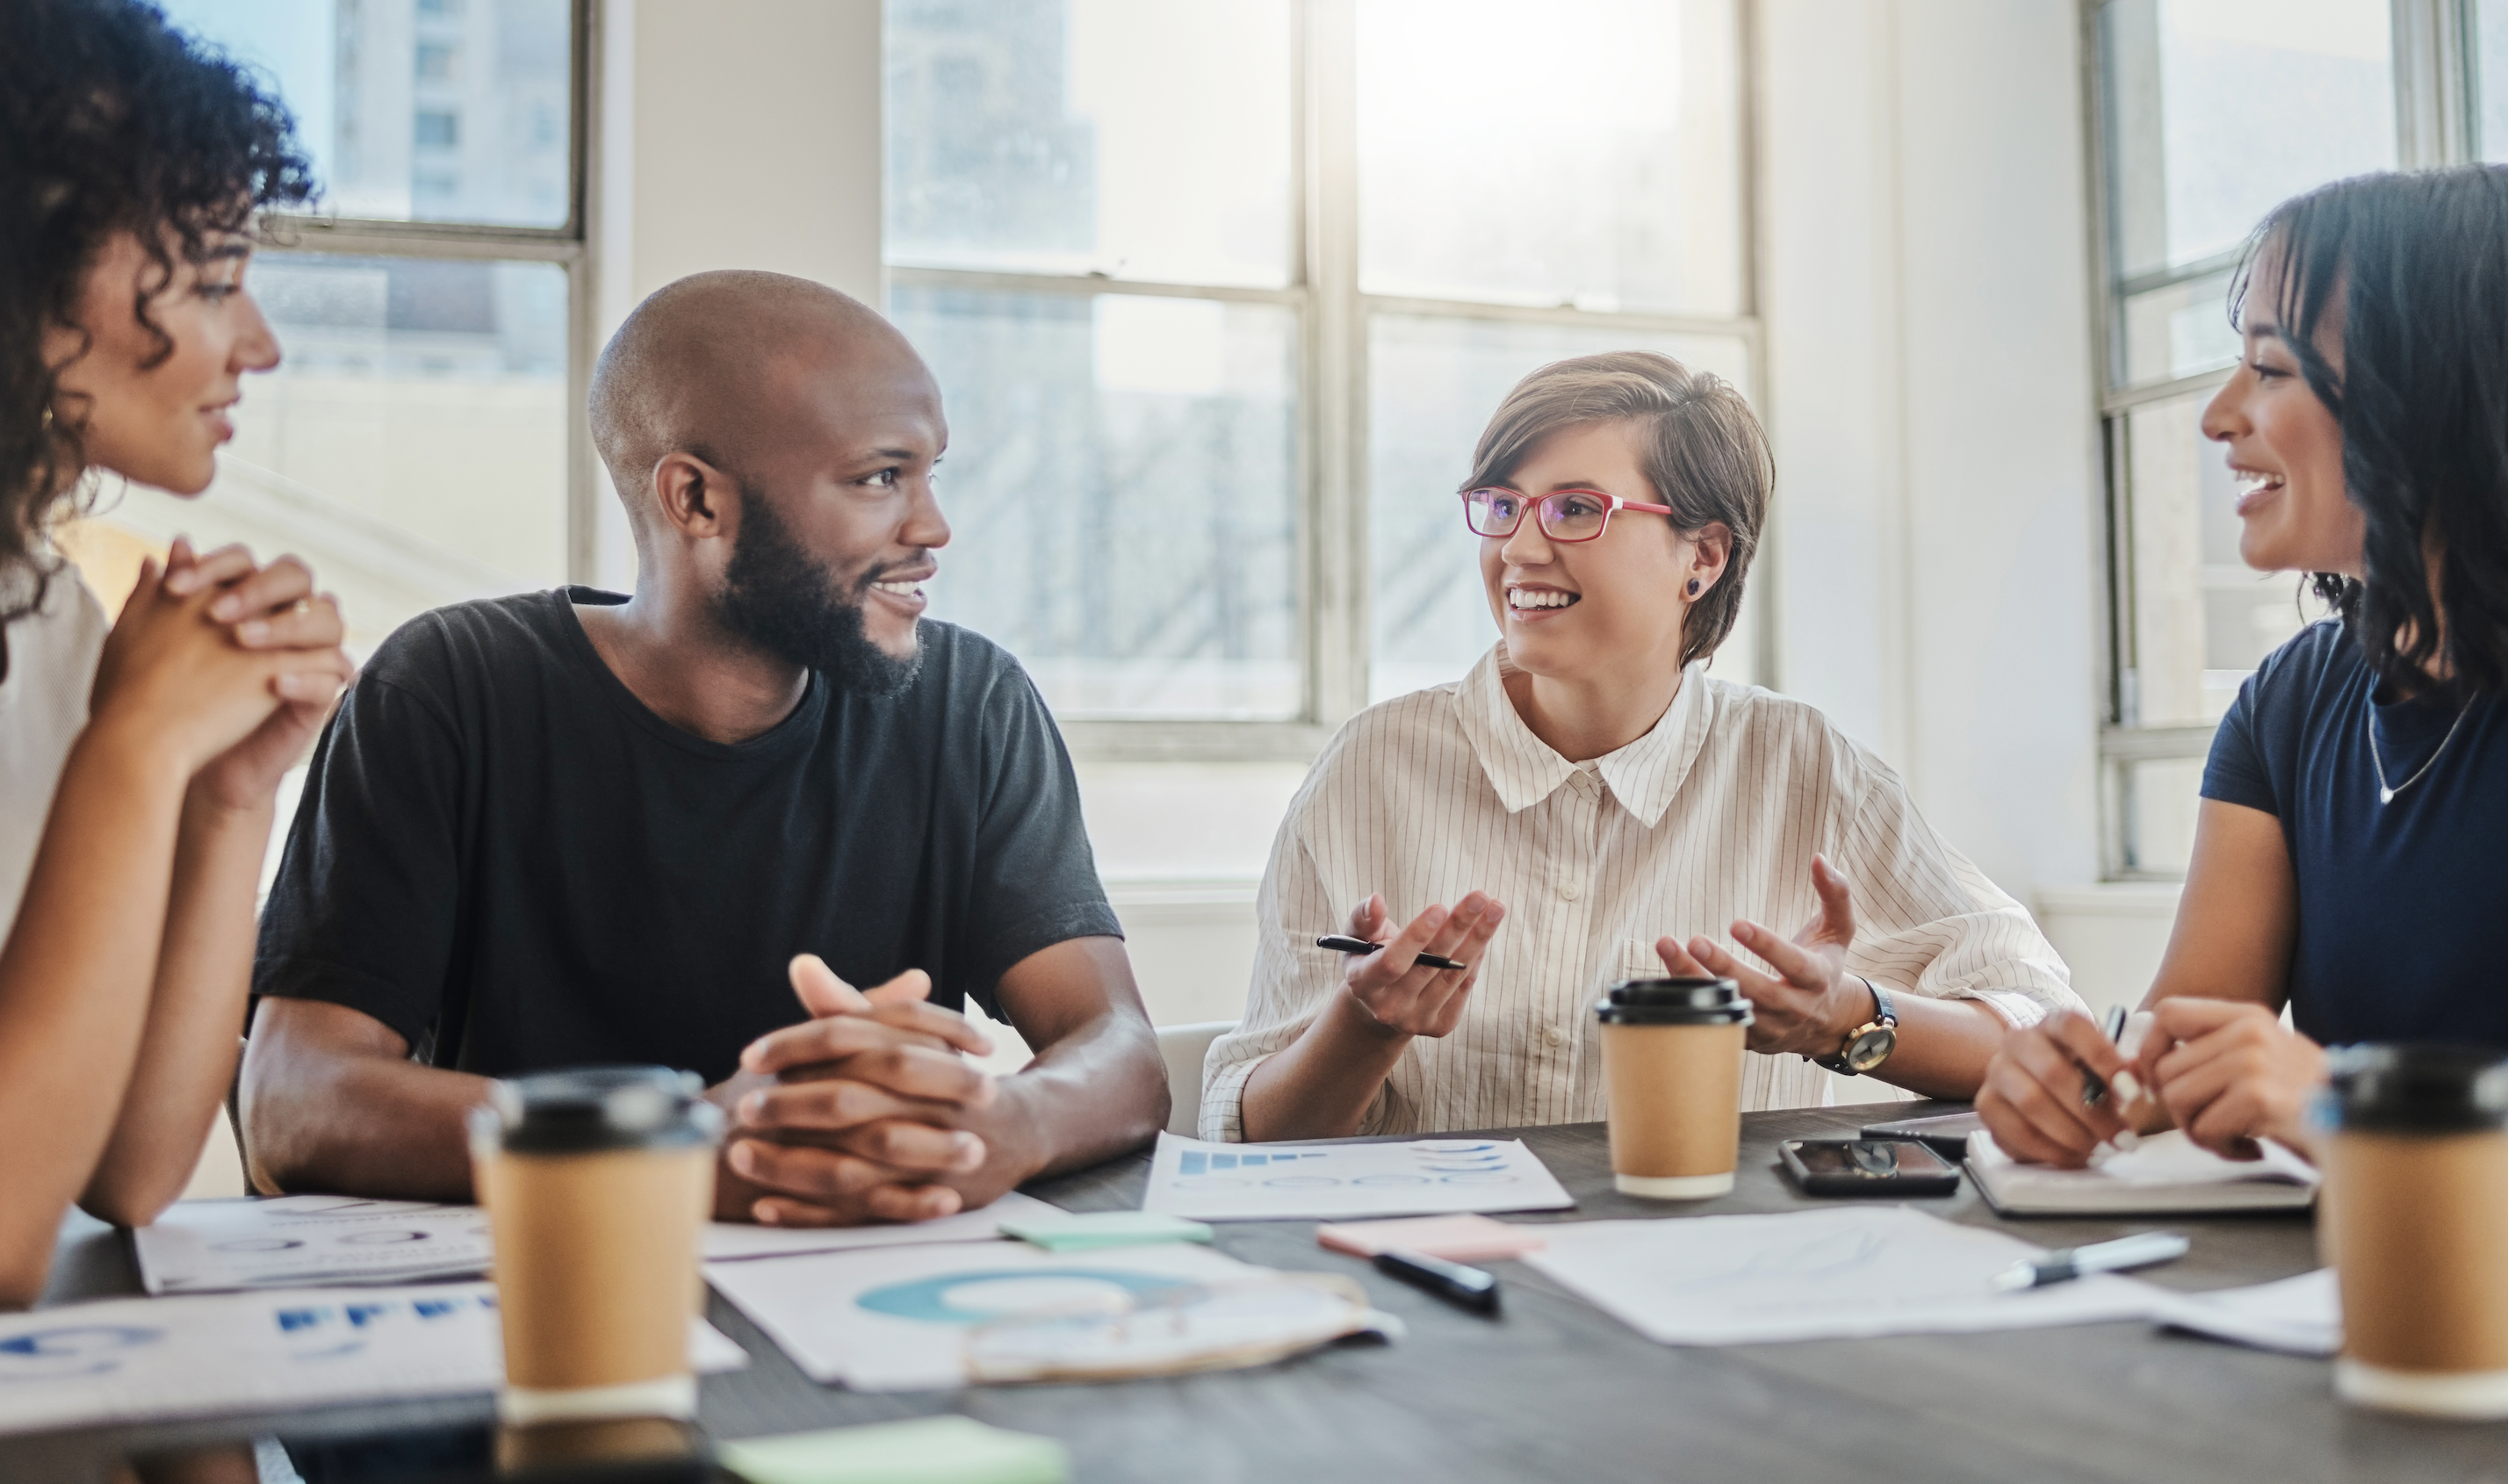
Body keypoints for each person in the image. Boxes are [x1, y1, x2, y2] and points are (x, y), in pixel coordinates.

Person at [241, 270, 1167, 1226]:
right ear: (694, 500)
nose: (932, 528)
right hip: (556, 1303)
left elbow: (1119, 1047)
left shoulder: (970, 704)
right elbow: (293, 1102)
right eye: (880, 478)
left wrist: (1006, 1120)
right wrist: (673, 1142)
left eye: (931, 474)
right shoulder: (447, 689)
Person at [1203, 352, 2083, 1142]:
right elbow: (1253, 1132)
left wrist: (1843, 1017)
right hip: (1443, 1281)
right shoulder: (1373, 767)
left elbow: (2044, 1032)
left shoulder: (1802, 766)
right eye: (1501, 505)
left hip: (1720, 1277)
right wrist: (1363, 1028)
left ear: (1701, 556)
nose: (1516, 546)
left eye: (1575, 508)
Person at [1973, 165, 2508, 1208]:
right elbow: (2177, 1052)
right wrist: (2074, 1084)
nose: (2219, 417)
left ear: (2435, 394)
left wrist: (2360, 1101)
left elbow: (2326, 1098)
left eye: (2270, 370)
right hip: (2370, 1280)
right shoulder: (2290, 700)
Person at [0, 0, 353, 1302]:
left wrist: (225, 791)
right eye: (210, 285)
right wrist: (138, 747)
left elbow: (131, 1166)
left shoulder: (41, 606)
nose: (256, 343)